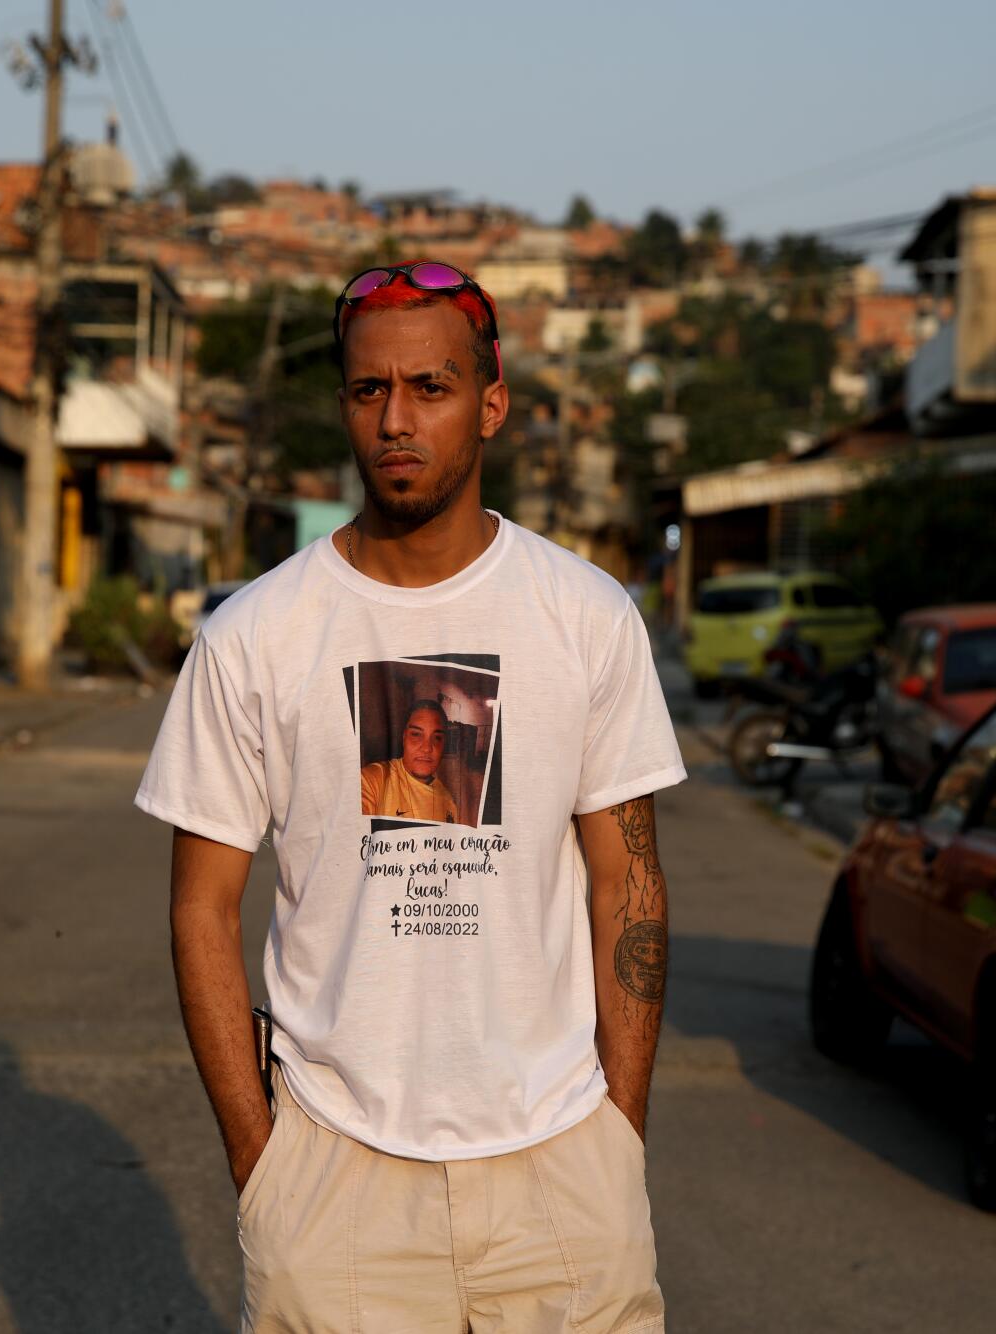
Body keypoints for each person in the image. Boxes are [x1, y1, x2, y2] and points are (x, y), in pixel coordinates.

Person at [137, 260, 684, 1331]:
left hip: (560, 1161)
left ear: (489, 405)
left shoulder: (583, 615)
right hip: (334, 1173)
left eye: (429, 388)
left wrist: (617, 1130)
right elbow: (202, 905)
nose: (395, 419)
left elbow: (628, 876)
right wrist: (261, 1157)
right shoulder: (255, 633)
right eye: (366, 389)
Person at [359, 697, 461, 823]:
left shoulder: (448, 802)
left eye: (437, 737)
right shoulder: (373, 780)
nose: (427, 748)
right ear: (404, 738)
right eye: (416, 734)